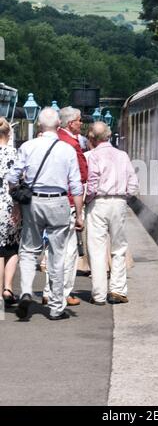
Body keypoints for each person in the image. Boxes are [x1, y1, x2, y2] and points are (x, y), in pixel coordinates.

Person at [7, 108, 84, 320]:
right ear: (59, 124)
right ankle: (57, 307)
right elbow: (76, 186)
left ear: (39, 125)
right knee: (57, 254)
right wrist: (78, 214)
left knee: (29, 250)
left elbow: (13, 177)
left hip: (32, 202)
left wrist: (16, 202)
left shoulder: (28, 147)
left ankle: (25, 292)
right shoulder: (67, 150)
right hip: (59, 202)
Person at [86, 121, 139, 305]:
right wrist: (127, 196)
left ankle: (99, 295)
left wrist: (87, 199)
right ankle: (117, 290)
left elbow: (92, 182)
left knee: (97, 248)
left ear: (92, 137)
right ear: (109, 135)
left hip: (98, 202)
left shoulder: (93, 156)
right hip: (119, 202)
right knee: (119, 247)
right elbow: (133, 181)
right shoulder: (122, 155)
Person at [42, 106, 88, 306]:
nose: (81, 123)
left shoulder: (52, 139)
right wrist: (79, 213)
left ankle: (47, 290)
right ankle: (62, 293)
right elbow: (82, 175)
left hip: (46, 201)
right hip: (67, 201)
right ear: (71, 123)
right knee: (68, 251)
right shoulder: (70, 144)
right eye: (79, 120)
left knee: (52, 249)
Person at [0, 118, 20, 307]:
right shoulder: (15, 154)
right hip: (9, 203)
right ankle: (8, 288)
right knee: (12, 248)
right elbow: (17, 181)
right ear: (9, 134)